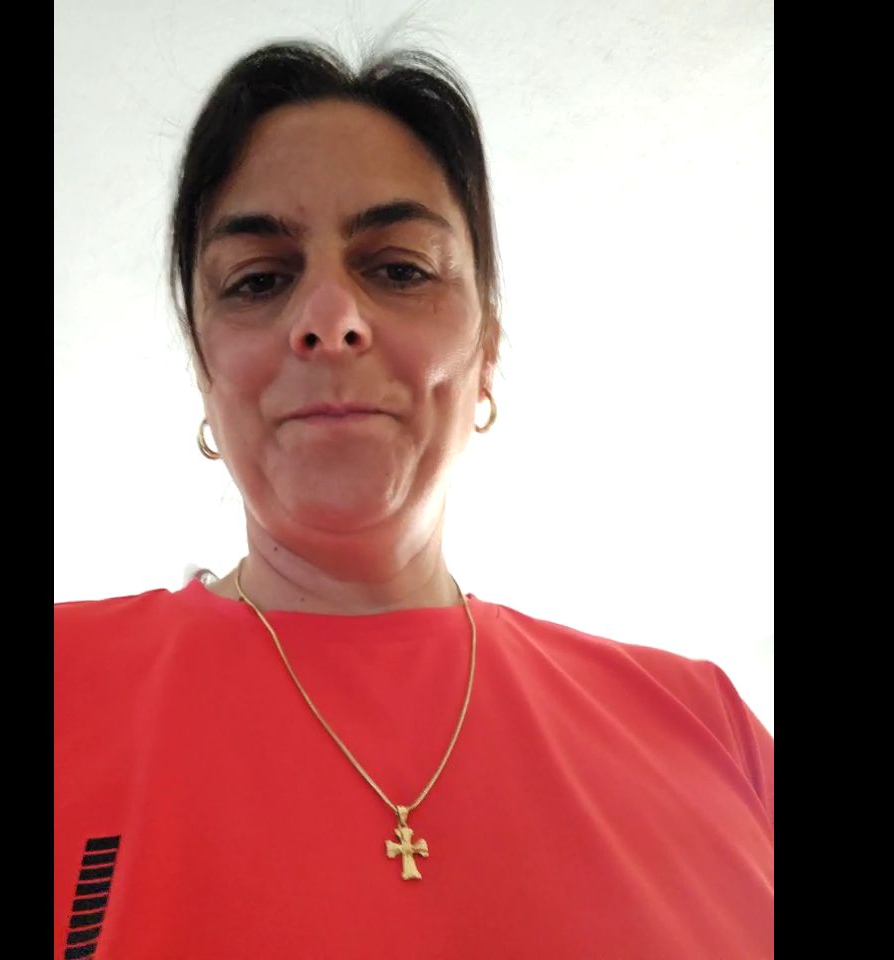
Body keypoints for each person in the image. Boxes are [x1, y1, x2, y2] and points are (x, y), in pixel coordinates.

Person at [54, 41, 773, 959]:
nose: (328, 319)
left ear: (487, 352)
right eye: (258, 280)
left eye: (399, 269)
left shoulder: (709, 727)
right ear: (203, 369)